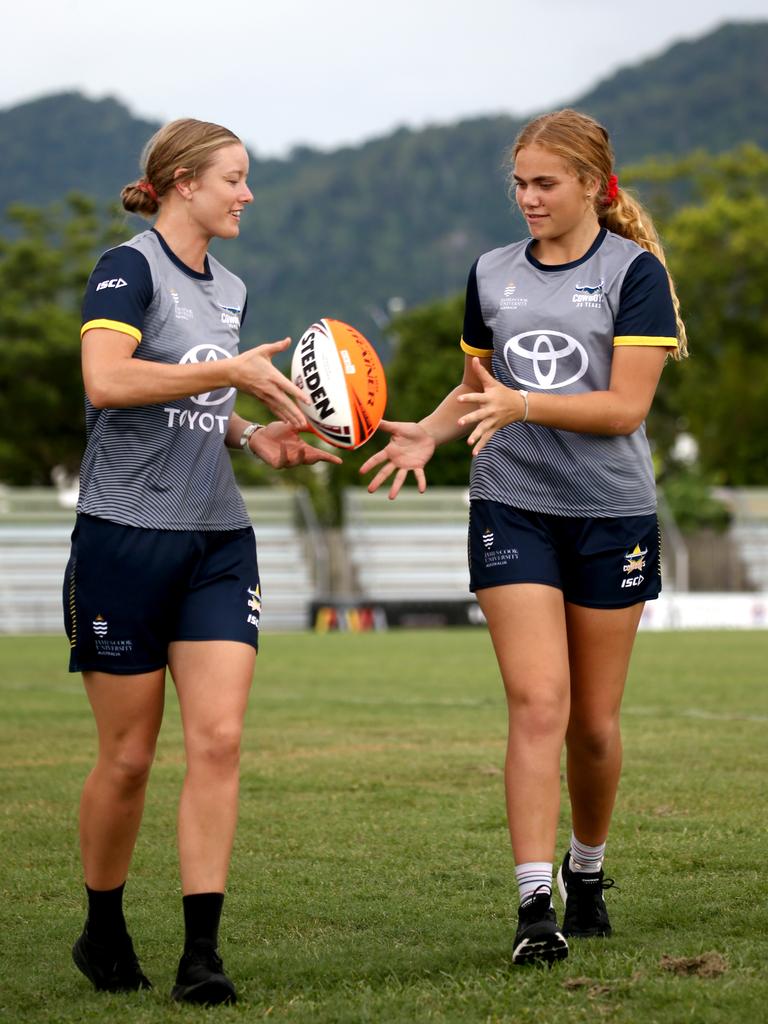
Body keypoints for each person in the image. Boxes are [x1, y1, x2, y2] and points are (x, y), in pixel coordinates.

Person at [361, 108, 687, 965]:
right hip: (511, 502)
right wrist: (431, 431)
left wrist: (524, 403)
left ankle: (589, 869)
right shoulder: (491, 272)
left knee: (594, 723)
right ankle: (534, 908)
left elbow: (625, 408)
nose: (528, 198)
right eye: (519, 183)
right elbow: (480, 387)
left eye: (545, 183)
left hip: (611, 511)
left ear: (591, 184)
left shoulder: (635, 273)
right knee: (539, 702)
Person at [63, 118, 341, 1004]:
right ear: (183, 181)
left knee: (217, 742)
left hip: (218, 539)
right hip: (123, 535)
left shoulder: (234, 288)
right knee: (130, 759)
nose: (246, 193)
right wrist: (234, 377)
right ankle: (102, 925)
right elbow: (108, 382)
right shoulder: (128, 266)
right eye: (234, 177)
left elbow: (196, 402)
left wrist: (254, 432)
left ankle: (201, 955)